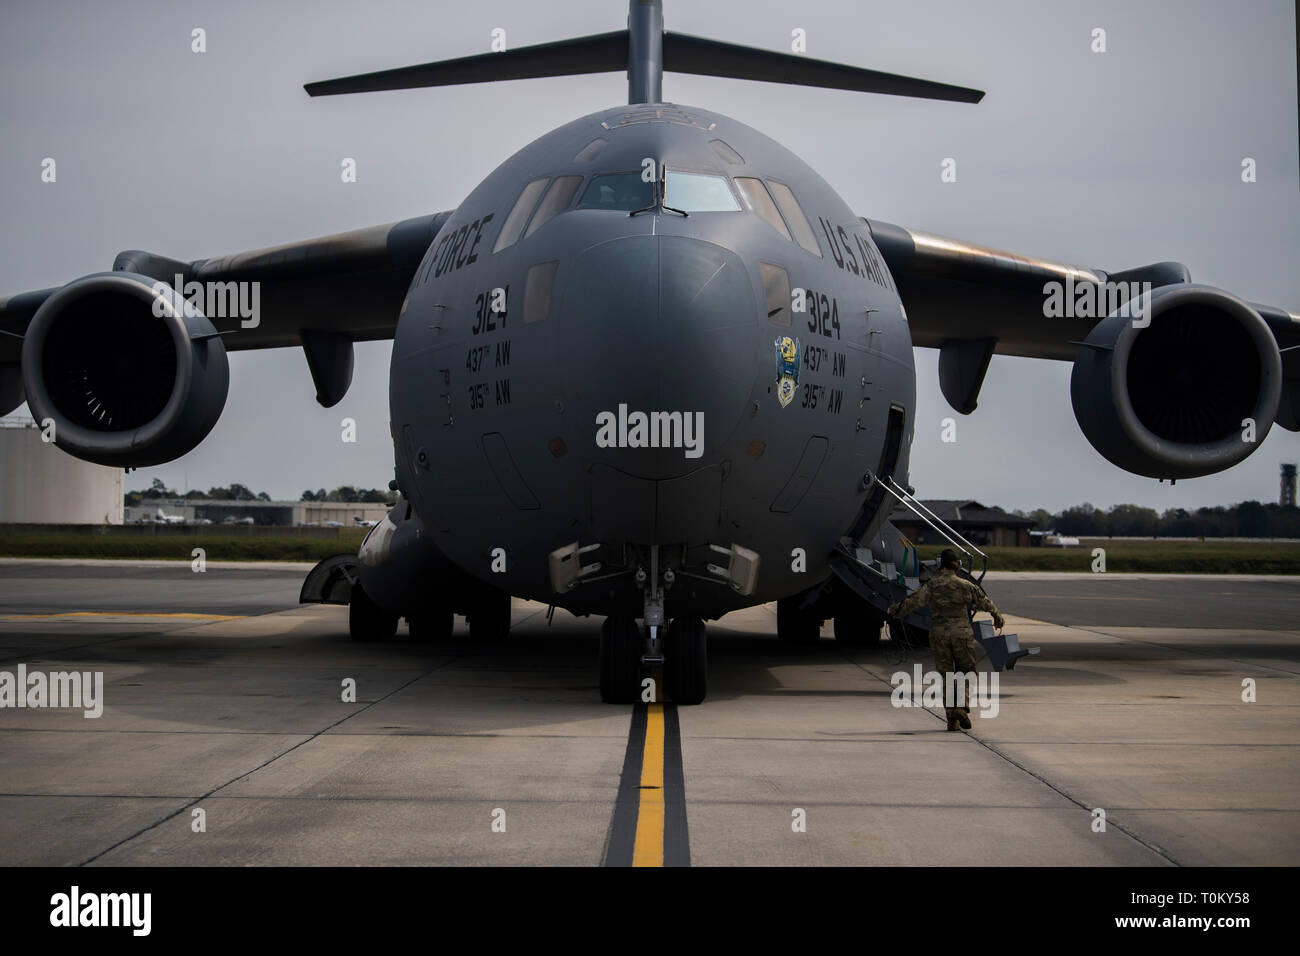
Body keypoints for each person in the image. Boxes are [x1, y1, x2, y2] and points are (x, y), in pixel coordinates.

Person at [887, 548, 1004, 731]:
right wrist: (997, 618)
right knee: (967, 672)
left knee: (947, 676)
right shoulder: (966, 585)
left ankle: (952, 719)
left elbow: (915, 601)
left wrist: (894, 611)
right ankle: (961, 707)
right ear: (957, 565)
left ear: (941, 564)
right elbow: (985, 602)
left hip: (939, 636)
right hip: (962, 634)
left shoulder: (932, 585)